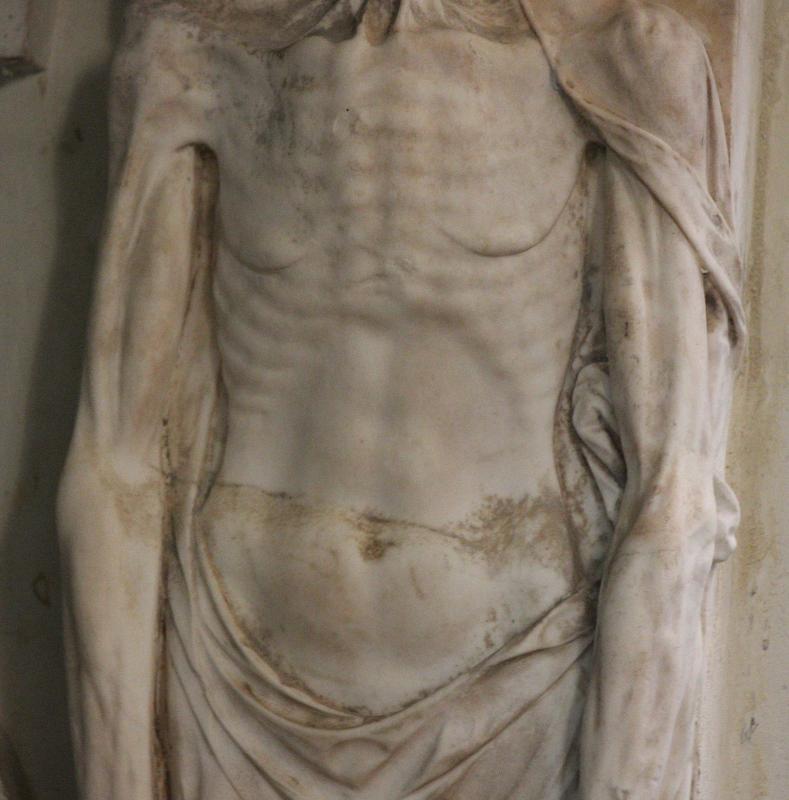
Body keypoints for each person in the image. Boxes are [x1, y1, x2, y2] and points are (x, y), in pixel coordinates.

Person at [57, 1, 745, 797]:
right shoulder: (191, 59)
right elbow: (116, 464)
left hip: (519, 704)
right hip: (230, 691)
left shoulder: (622, 64)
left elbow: (671, 488)